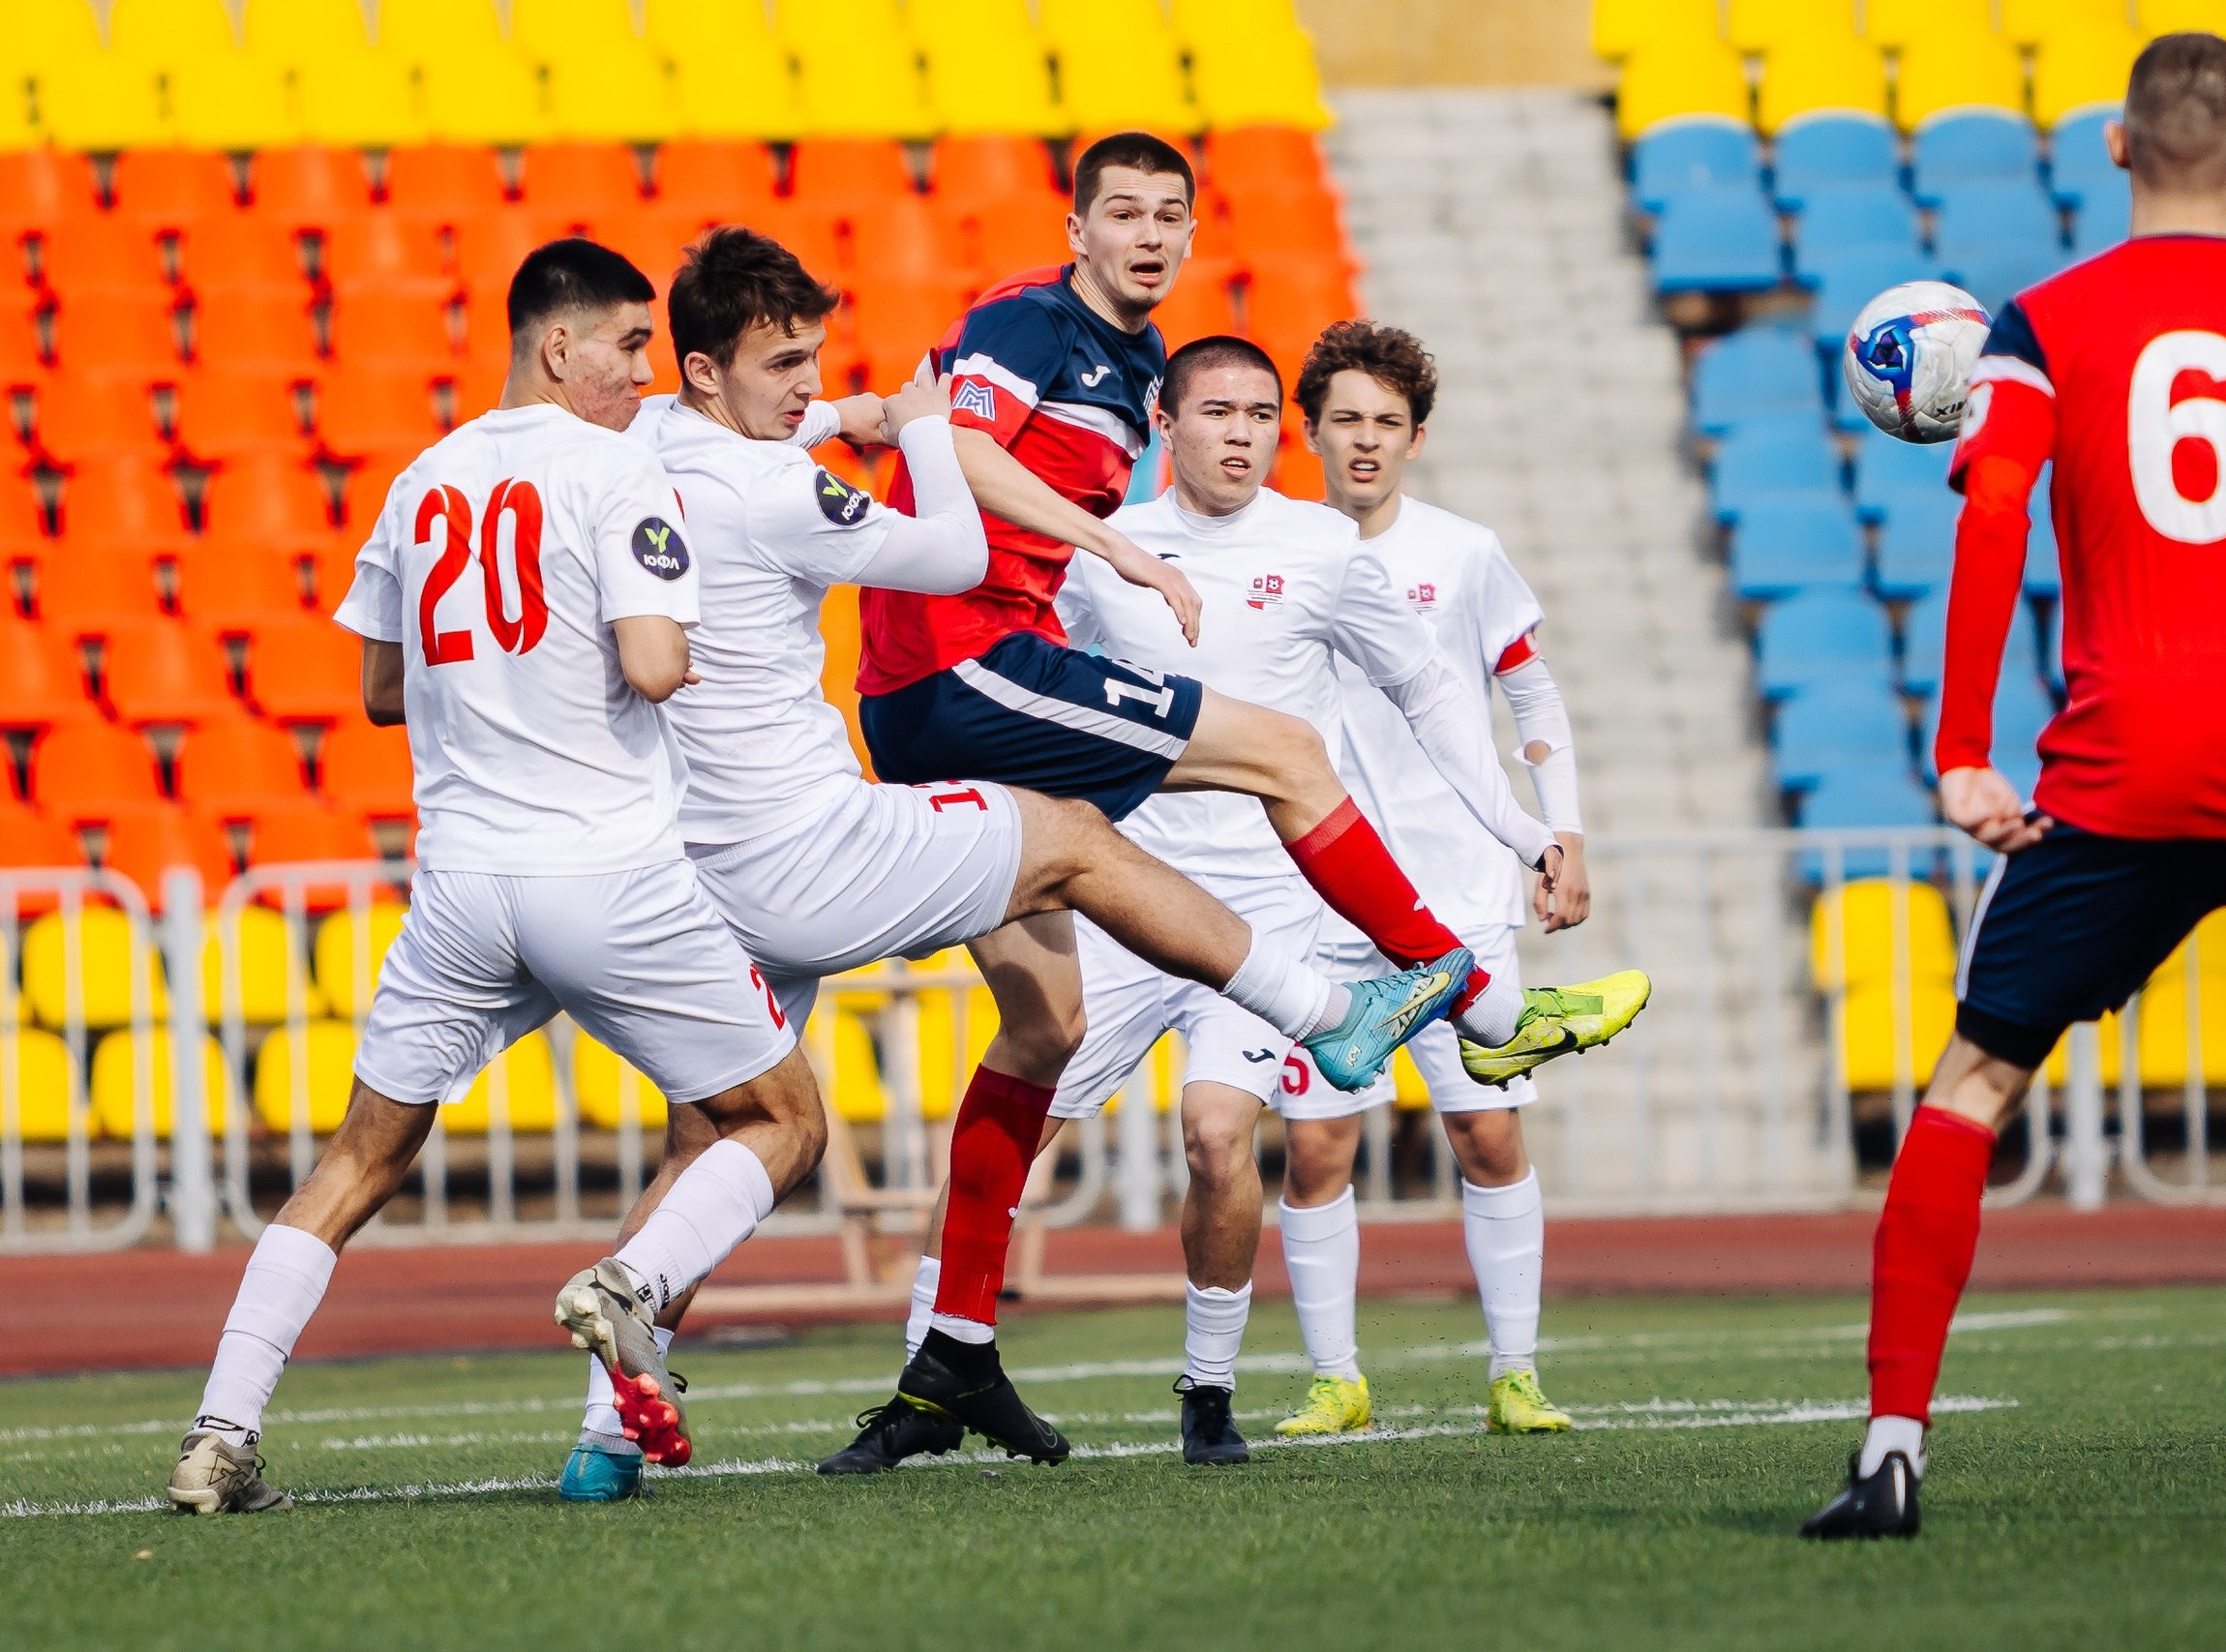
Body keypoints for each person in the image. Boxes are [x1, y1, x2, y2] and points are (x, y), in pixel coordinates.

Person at [554, 229, 1468, 1499]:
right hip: (810, 844)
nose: (809, 387)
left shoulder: (648, 443)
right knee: (1079, 846)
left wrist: (855, 407)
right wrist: (925, 427)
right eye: (786, 364)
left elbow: (768, 418)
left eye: (815, 358)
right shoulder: (780, 491)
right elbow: (959, 554)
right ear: (709, 371)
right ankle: (1336, 1012)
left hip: (690, 862)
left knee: (783, 1117)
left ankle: (617, 1428)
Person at [1801, 33, 2226, 1541]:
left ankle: (1894, 1442)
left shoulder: (2044, 323)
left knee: (1974, 1083)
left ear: (2115, 146)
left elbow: (1991, 523)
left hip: (2123, 761)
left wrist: (1964, 751)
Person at [845, 132, 1621, 1439]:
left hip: (1186, 867)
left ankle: (953, 1359)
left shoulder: (1289, 511)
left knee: (1060, 1053)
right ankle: (1478, 997)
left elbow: (1441, 697)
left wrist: (1534, 826)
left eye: (1173, 217)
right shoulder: (1036, 329)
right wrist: (1112, 544)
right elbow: (957, 441)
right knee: (1279, 750)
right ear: (1080, 228)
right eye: (1125, 214)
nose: (1150, 236)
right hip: (964, 681)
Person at [166, 241, 828, 1513]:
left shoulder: (422, 477)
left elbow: (374, 687)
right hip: (607, 873)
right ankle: (628, 1286)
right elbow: (651, 665)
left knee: (356, 1160)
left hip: (462, 885)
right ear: (557, 347)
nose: (646, 372)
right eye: (630, 345)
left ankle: (219, 1429)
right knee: (779, 1117)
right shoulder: (615, 465)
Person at [1270, 319, 1639, 1442]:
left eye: (1386, 423)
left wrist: (1558, 833)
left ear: (1416, 437)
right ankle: (1336, 1378)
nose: (1365, 442)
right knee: (1319, 1144)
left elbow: (1533, 698)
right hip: (1316, 900)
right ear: (1313, 433)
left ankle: (1514, 1374)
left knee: (1486, 1135)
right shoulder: (1271, 550)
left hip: (1461, 895)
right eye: (1345, 422)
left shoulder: (1464, 554)